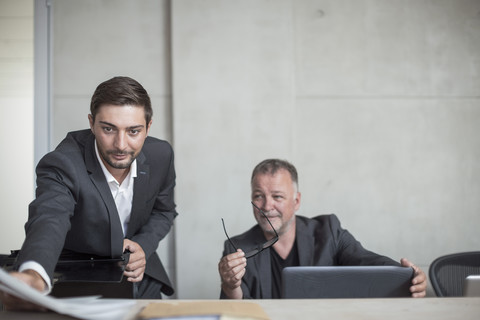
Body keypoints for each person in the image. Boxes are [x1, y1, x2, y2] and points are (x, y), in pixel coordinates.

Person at [0, 76, 178, 309]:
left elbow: (164, 212)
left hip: (142, 277)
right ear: (92, 123)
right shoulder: (63, 162)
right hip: (82, 279)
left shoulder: (161, 155)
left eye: (133, 131)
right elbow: (49, 216)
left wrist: (143, 245)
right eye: (108, 129)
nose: (121, 145)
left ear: (148, 127)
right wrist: (34, 274)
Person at [218, 159, 427, 299]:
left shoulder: (328, 231)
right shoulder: (236, 247)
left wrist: (408, 275)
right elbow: (236, 312)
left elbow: (367, 261)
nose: (266, 206)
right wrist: (230, 285)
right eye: (258, 196)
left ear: (296, 201)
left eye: (277, 196)